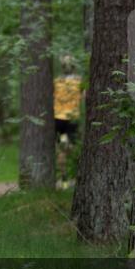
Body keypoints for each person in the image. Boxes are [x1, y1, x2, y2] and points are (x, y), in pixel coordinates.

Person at [53, 56, 83, 190]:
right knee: (73, 147)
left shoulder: (57, 82)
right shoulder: (79, 82)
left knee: (61, 149)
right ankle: (74, 177)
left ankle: (63, 179)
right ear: (74, 66)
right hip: (72, 118)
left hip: (58, 118)